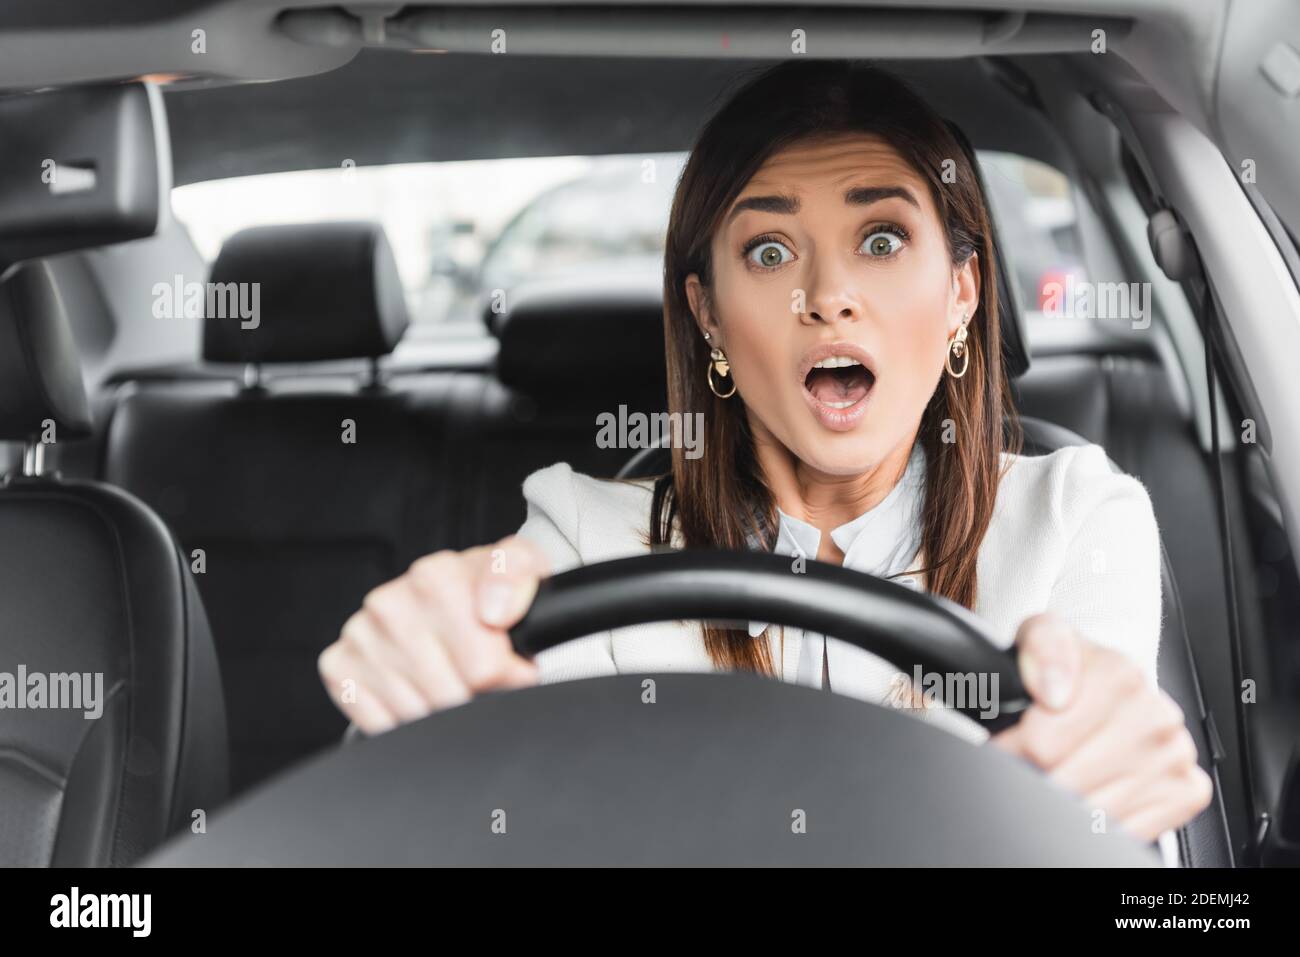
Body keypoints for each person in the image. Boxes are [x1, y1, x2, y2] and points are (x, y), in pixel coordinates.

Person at [318, 59, 1212, 847]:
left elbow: (1104, 782)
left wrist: (1109, 773)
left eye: (883, 239)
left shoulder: (1074, 515)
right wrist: (424, 685)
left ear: (963, 294)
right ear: (709, 315)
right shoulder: (585, 533)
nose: (828, 296)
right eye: (772, 250)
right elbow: (504, 772)